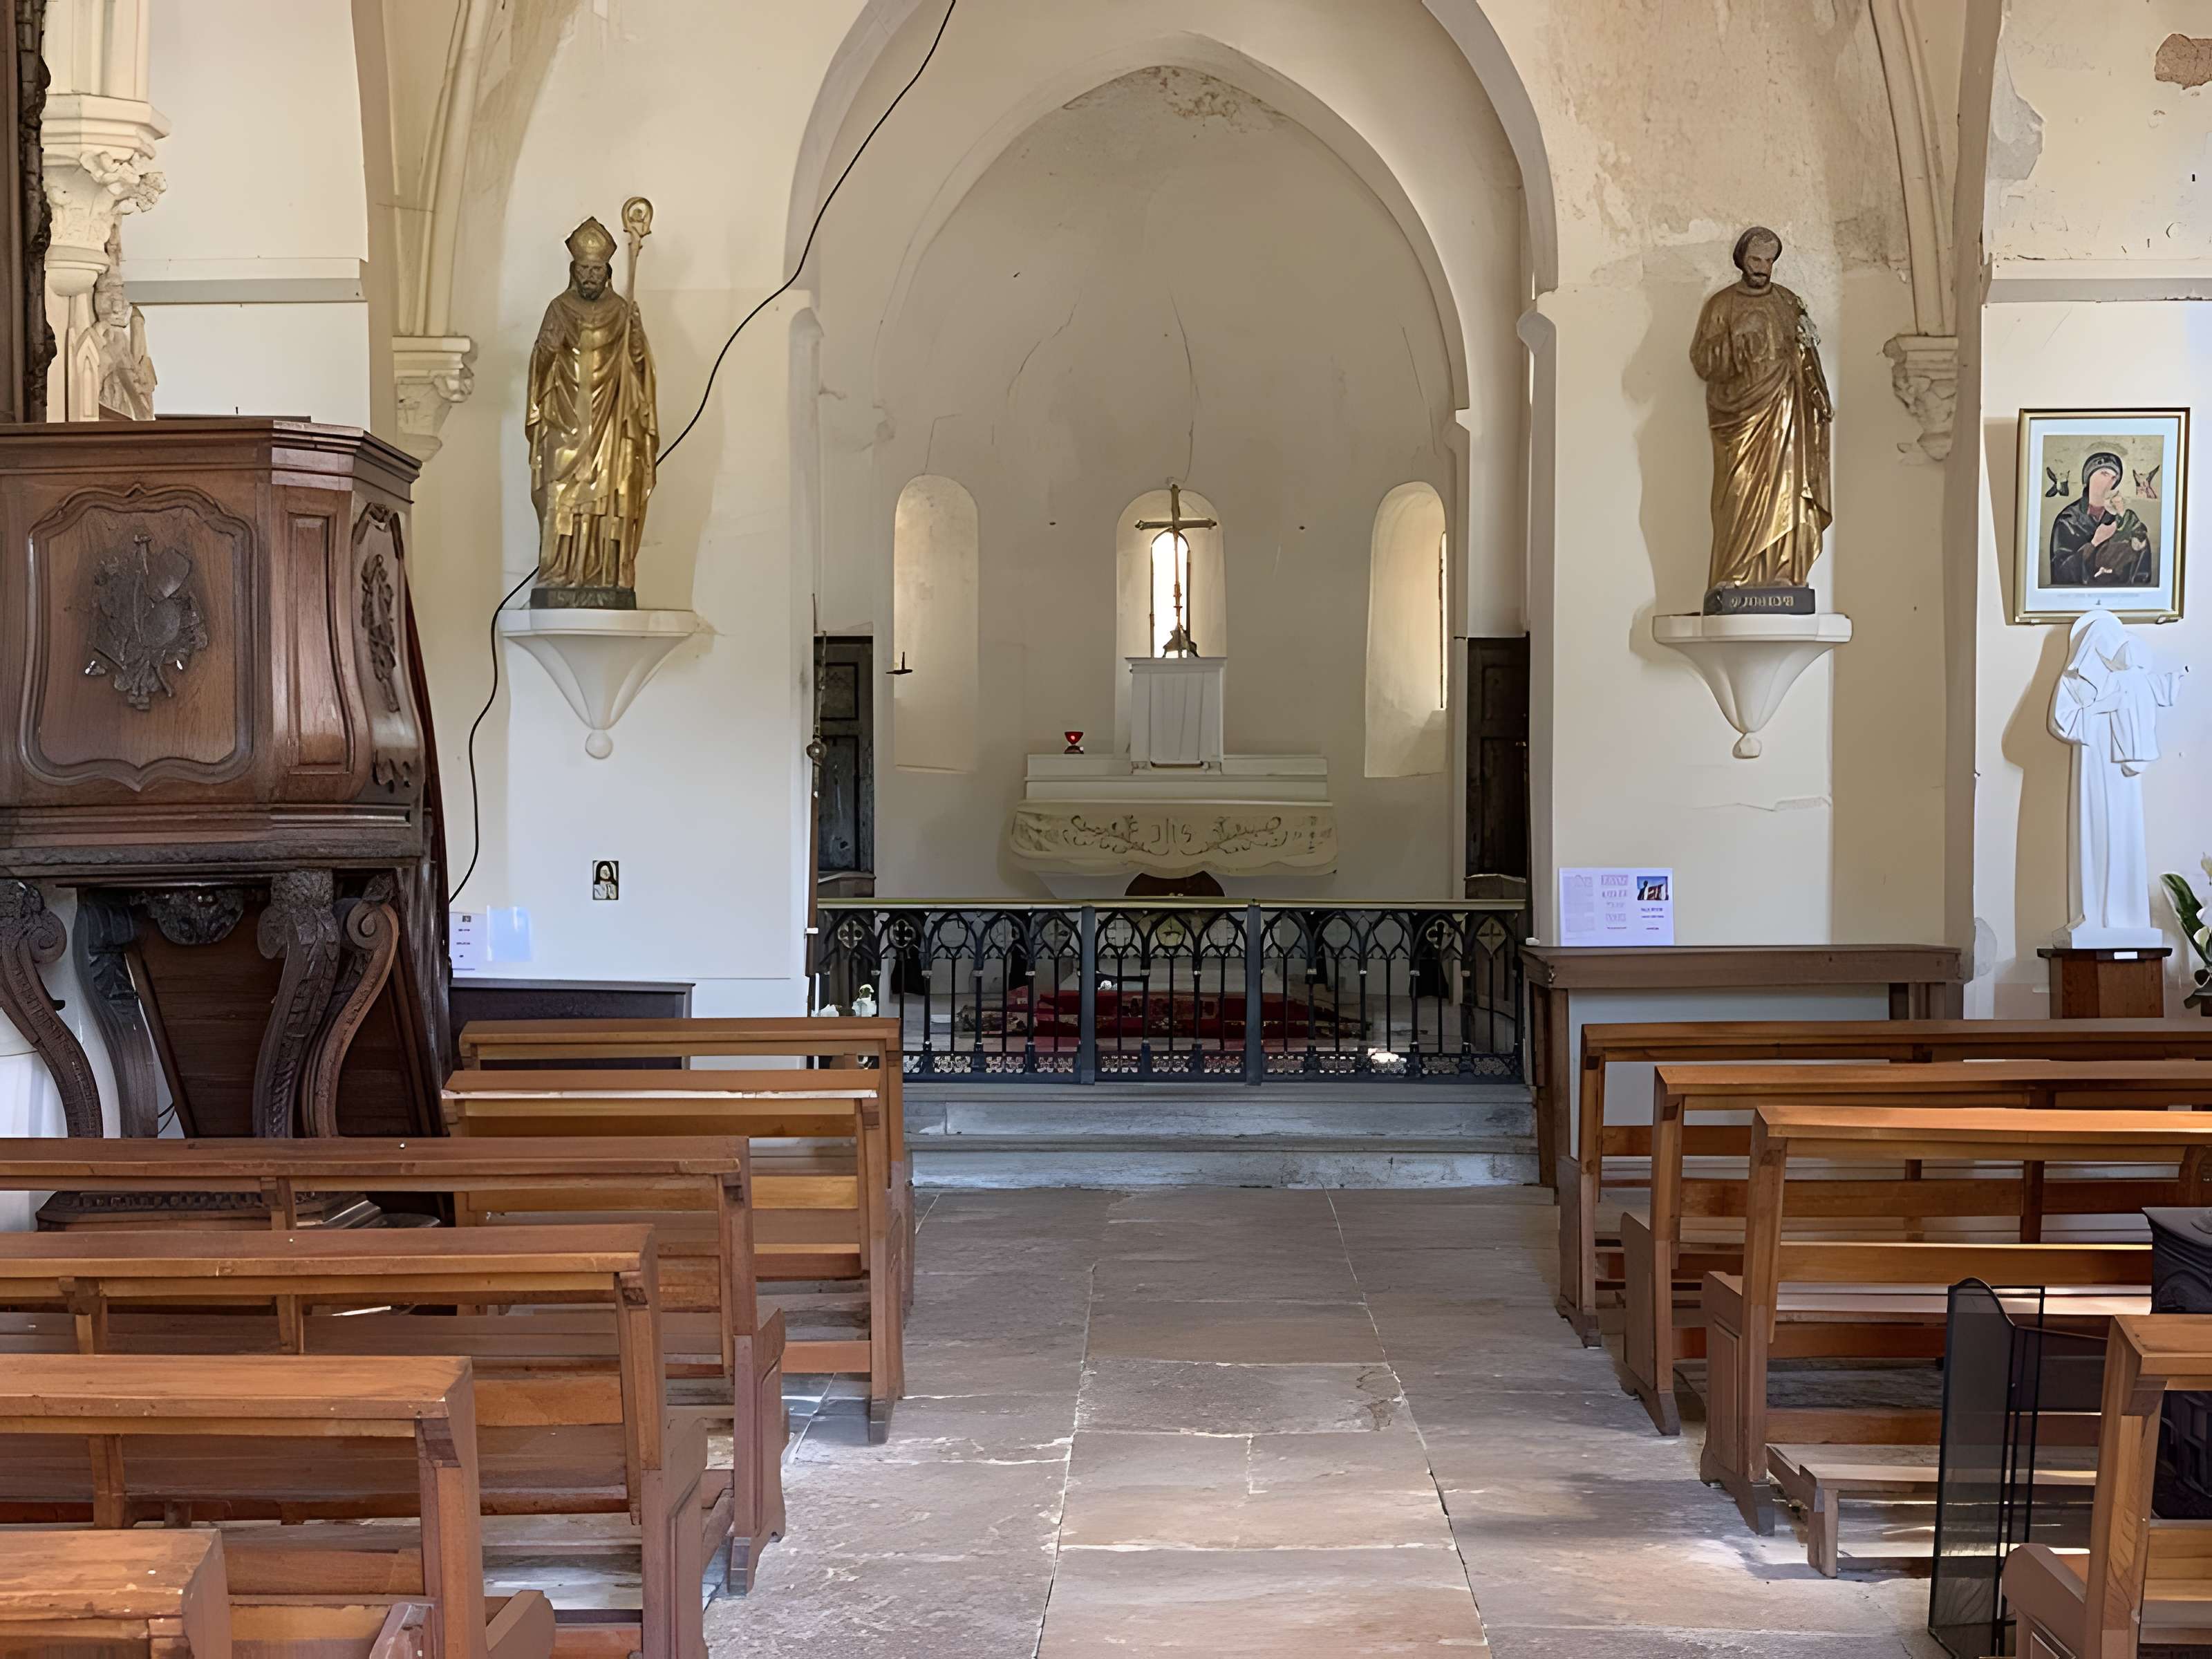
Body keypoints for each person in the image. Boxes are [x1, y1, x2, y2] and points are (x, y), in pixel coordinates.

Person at [1689, 227, 1834, 595]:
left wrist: (1808, 359)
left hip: (1786, 416)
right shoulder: (1721, 306)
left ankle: (1785, 574)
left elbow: (1805, 355)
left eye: (1769, 261)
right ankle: (1734, 575)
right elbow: (1705, 362)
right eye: (1755, 260)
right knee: (1737, 494)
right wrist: (1739, 337)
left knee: (1787, 493)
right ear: (1741, 259)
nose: (1762, 268)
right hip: (1739, 418)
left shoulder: (1788, 302)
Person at [527, 216, 657, 606]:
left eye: (596, 269)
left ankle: (608, 573)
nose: (589, 276)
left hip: (610, 425)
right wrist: (548, 350)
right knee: (557, 491)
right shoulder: (558, 308)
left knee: (613, 495)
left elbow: (640, 371)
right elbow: (541, 364)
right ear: (574, 270)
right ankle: (558, 571)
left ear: (608, 272)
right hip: (567, 419)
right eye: (583, 269)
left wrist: (633, 340)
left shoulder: (622, 310)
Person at [2050, 610, 2182, 944]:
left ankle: (2129, 914)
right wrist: (2099, 706)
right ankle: (2092, 914)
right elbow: (2061, 721)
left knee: (2125, 833)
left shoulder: (2131, 678)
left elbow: (2156, 691)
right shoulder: (2075, 680)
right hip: (2094, 770)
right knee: (2094, 833)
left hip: (2124, 773)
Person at [2049, 451, 2153, 587]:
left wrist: (2137, 540)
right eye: (2104, 474)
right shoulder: (2068, 520)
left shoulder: (2123, 517)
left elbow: (2142, 568)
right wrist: (2095, 542)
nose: (2109, 481)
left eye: (2114, 478)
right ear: (2089, 477)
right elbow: (2061, 573)